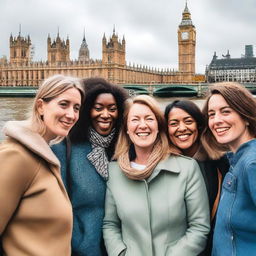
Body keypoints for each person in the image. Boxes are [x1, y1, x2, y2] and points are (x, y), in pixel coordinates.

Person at [103, 95, 210, 256]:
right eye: (135, 120)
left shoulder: (187, 168)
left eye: (149, 119)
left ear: (159, 126)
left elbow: (199, 227)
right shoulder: (114, 171)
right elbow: (110, 225)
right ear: (126, 128)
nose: (143, 125)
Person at [0, 74, 84, 255]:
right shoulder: (16, 156)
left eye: (76, 108)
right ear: (40, 106)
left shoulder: (45, 154)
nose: (71, 115)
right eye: (64, 104)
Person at [51, 77, 128, 256]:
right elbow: (56, 209)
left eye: (112, 108)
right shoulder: (63, 149)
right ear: (86, 111)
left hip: (123, 249)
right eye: (98, 108)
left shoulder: (125, 148)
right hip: (83, 249)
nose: (106, 114)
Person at [164, 100, 229, 255]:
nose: (182, 128)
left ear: (199, 125)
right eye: (174, 123)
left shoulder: (220, 162)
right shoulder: (159, 164)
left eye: (188, 121)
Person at [201, 82, 256, 256]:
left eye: (226, 111)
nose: (217, 120)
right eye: (211, 114)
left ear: (246, 116)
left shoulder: (252, 163)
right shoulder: (236, 161)